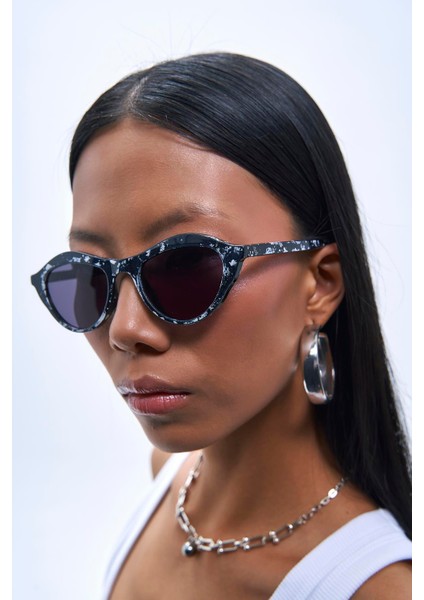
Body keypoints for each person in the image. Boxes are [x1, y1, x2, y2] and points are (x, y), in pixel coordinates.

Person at [31, 53, 412, 599]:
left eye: (186, 266)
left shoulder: (377, 588)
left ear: (320, 284)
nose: (125, 329)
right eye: (91, 275)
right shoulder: (168, 476)